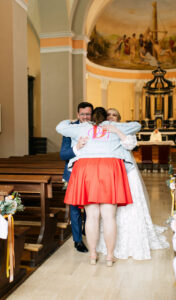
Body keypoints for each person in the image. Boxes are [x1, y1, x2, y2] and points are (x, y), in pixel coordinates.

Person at [56, 107, 141, 266]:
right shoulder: (115, 127)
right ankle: (109, 256)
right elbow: (137, 125)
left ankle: (93, 255)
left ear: (92, 117)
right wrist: (115, 128)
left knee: (92, 216)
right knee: (109, 217)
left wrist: (71, 120)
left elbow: (60, 127)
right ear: (106, 118)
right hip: (109, 167)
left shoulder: (83, 126)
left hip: (87, 168)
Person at [96, 108, 169, 260]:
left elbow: (130, 145)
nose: (111, 117)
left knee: (131, 204)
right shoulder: (101, 130)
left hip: (127, 172)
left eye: (114, 115)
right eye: (108, 115)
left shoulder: (125, 128)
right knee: (111, 208)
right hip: (110, 173)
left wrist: (117, 130)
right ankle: (110, 241)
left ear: (119, 118)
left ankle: (133, 239)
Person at [59, 102, 93, 253]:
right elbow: (63, 155)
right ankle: (77, 241)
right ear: (78, 114)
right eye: (83, 114)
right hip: (73, 173)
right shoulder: (69, 129)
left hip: (91, 173)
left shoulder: (95, 128)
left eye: (88, 114)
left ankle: (87, 230)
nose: (85, 117)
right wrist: (77, 147)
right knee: (74, 208)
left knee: (90, 206)